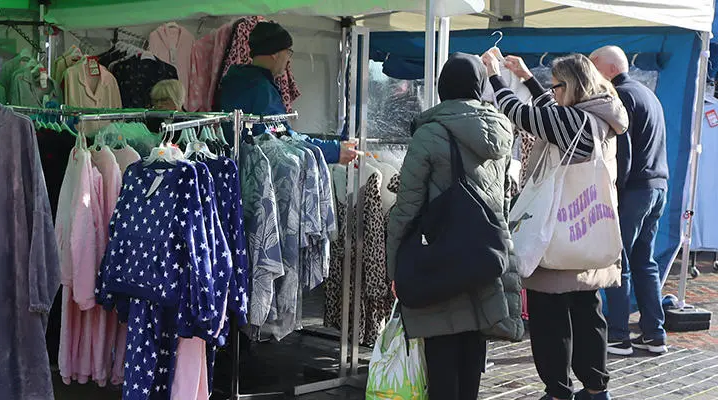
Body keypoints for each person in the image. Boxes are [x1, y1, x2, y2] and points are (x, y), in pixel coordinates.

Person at [485, 49, 626, 400]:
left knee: (550, 320)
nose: (554, 92)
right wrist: (528, 78)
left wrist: (494, 76)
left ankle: (558, 391)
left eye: (557, 86)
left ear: (574, 86)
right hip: (587, 237)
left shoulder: (573, 123)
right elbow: (551, 113)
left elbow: (521, 114)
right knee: (588, 313)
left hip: (556, 237)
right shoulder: (600, 117)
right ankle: (596, 388)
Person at [385, 53, 520, 400]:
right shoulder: (502, 131)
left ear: (443, 88)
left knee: (442, 355)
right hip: (485, 252)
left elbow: (407, 207)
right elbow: (501, 201)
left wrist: (394, 266)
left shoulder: (429, 134)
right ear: (479, 87)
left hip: (439, 256)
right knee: (473, 350)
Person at [590, 45, 670, 356]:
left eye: (594, 69)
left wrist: (614, 190)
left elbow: (622, 154)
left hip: (634, 189)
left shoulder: (620, 97)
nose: (592, 77)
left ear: (607, 69)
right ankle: (654, 334)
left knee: (618, 262)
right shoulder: (647, 94)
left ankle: (618, 336)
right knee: (643, 263)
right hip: (657, 186)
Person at [218, 21, 358, 165]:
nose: (288, 59)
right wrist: (334, 151)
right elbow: (282, 138)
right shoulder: (262, 90)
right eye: (288, 52)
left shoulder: (234, 82)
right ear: (274, 53)